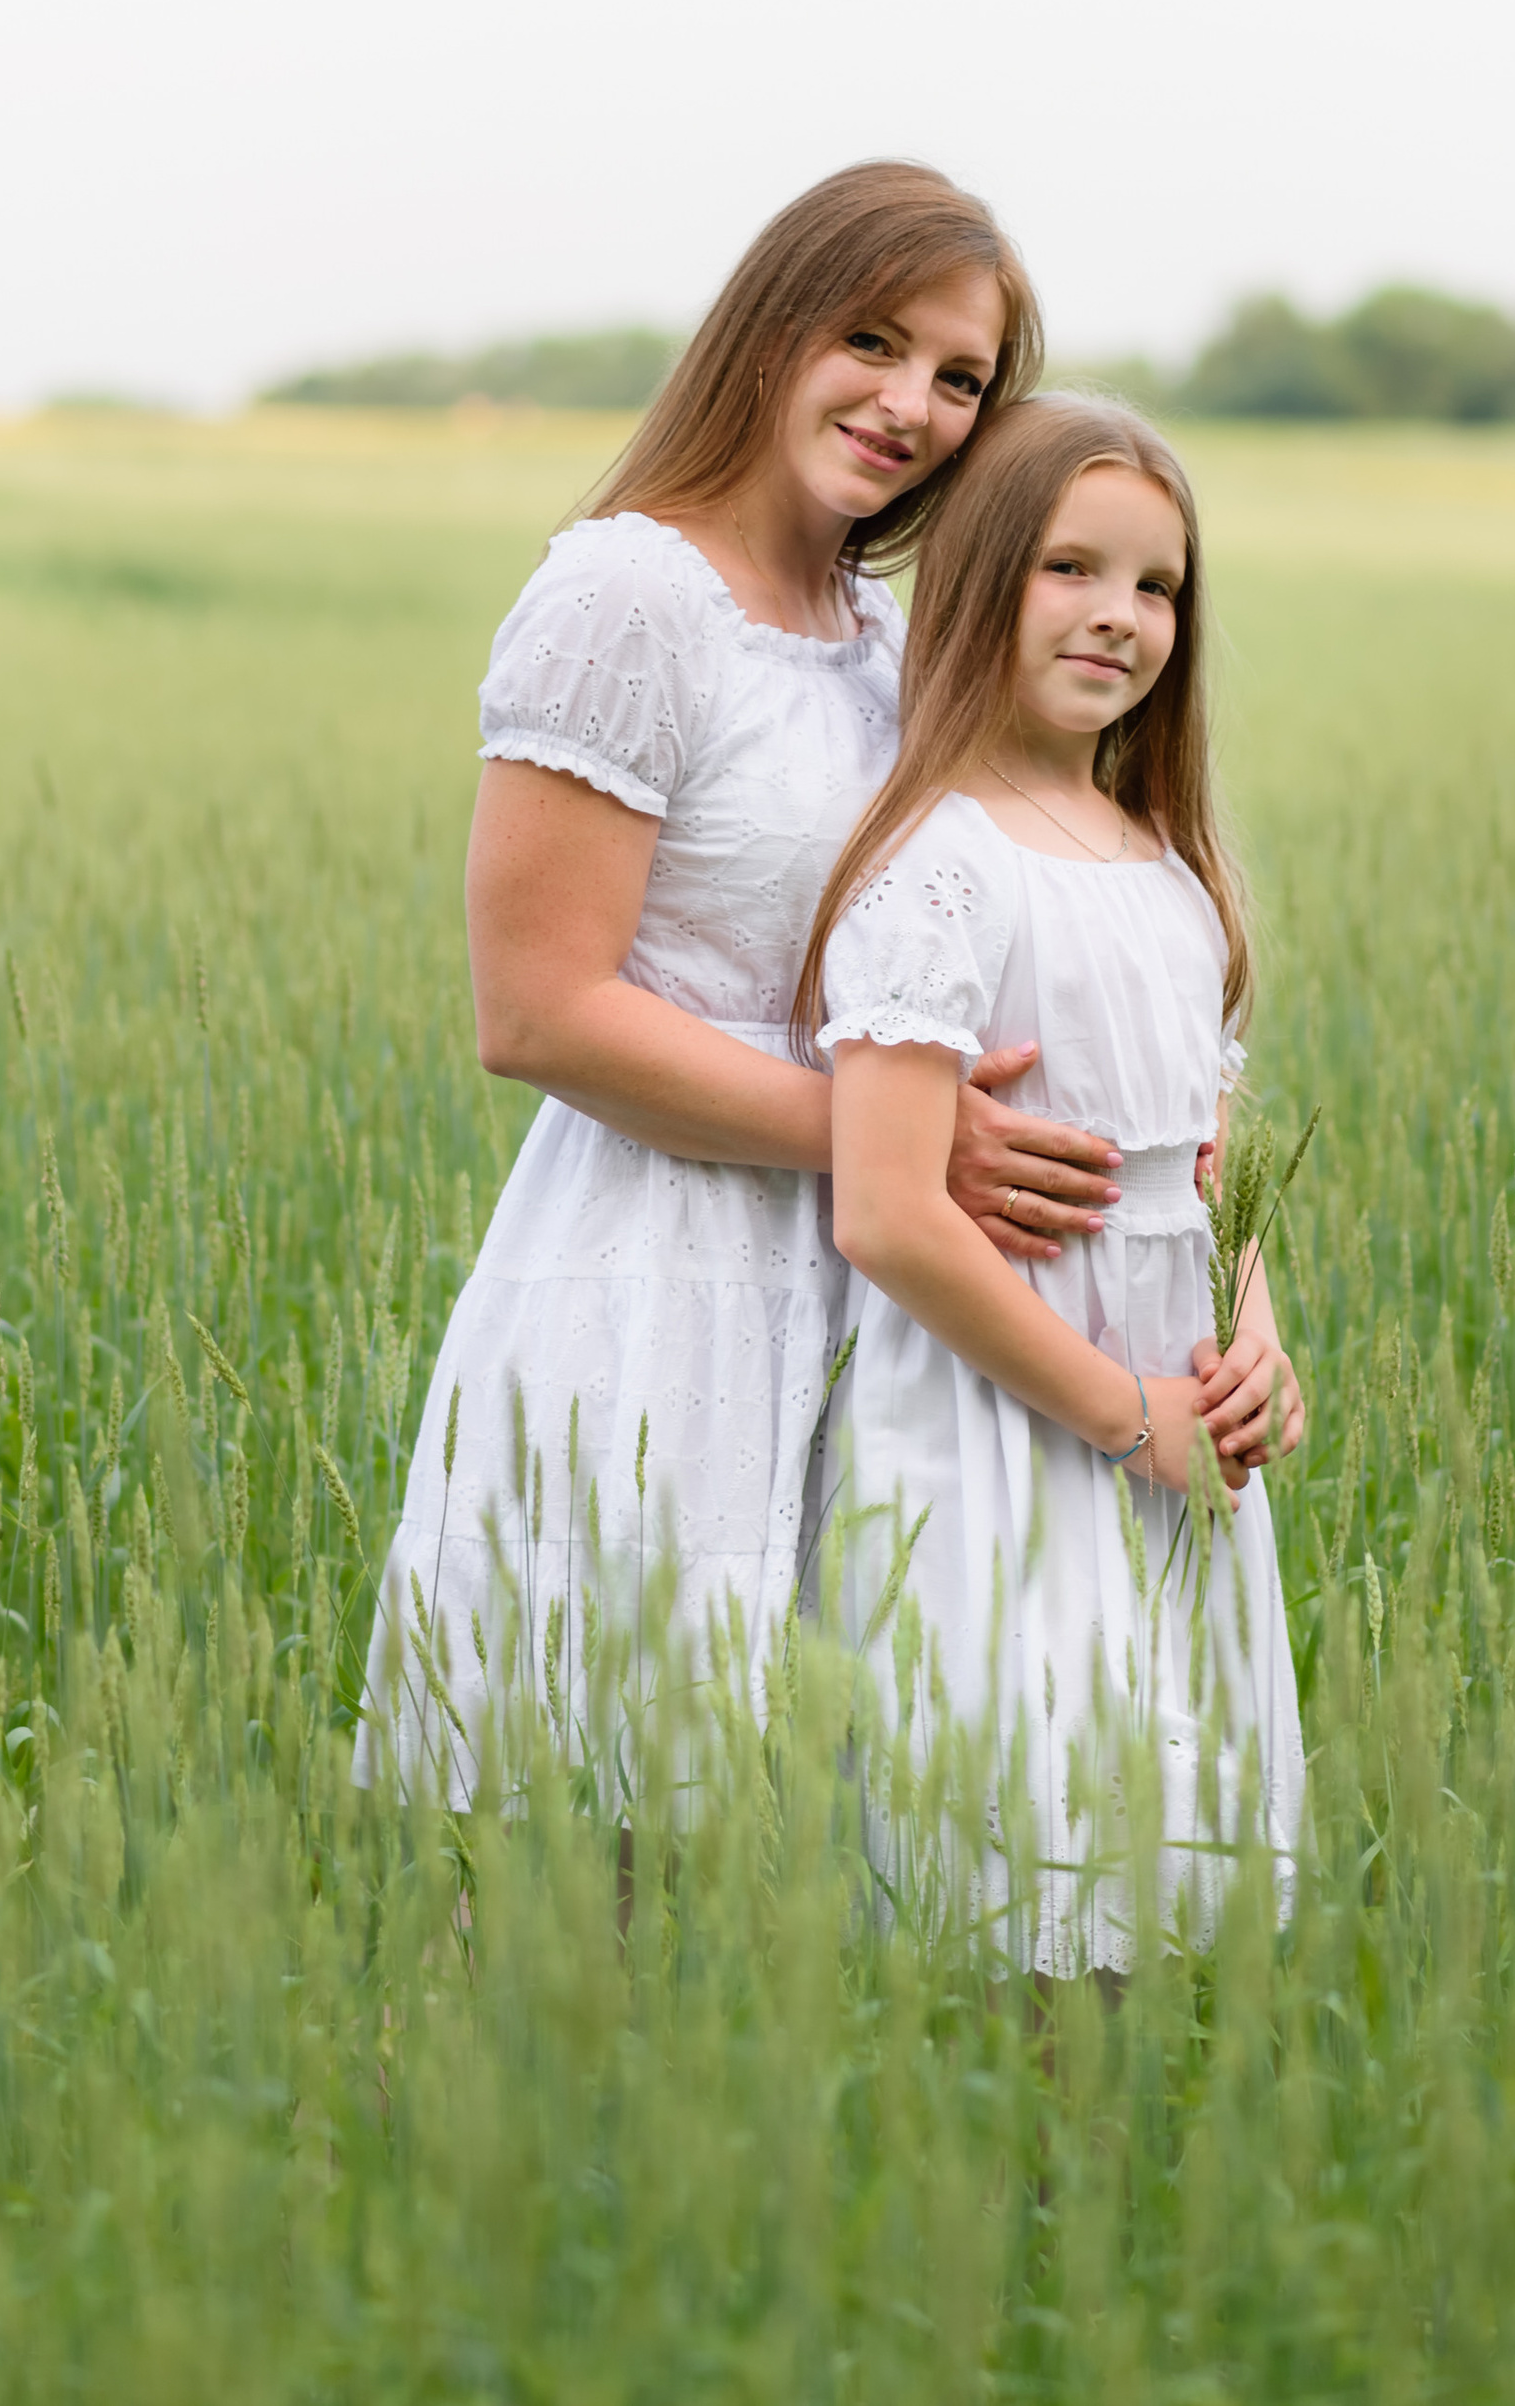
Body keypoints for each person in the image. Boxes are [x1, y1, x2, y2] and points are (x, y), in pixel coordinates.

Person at [356, 163, 1125, 1804]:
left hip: (882, 1290)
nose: (911, 403)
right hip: (657, 1283)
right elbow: (539, 1010)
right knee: (594, 1856)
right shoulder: (631, 596)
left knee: (830, 1868)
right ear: (773, 325)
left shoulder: (883, 638)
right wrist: (890, 1146)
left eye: (962, 377)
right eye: (873, 338)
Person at [798, 393, 1308, 1968]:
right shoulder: (944, 864)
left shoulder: (1171, 866)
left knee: (1158, 1854)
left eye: (1157, 586)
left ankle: (1097, 2195)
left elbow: (1208, 1181)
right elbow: (886, 1208)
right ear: (978, 585)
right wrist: (1115, 1409)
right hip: (1005, 1422)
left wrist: (1255, 1348)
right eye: (1071, 568)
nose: (1120, 615)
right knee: (1015, 1848)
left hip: (1170, 1426)